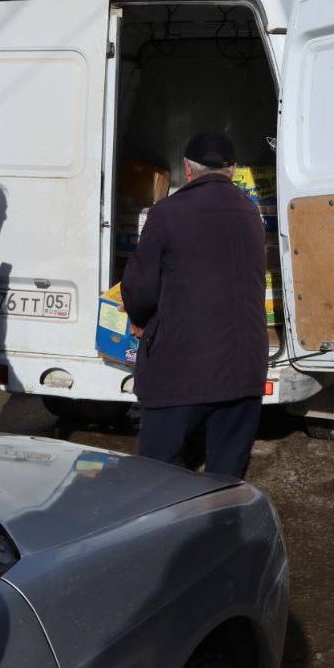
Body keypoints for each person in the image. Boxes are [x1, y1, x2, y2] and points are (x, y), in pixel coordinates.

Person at [122, 132, 268, 479]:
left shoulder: (167, 212)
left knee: (155, 471)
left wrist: (141, 318)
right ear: (232, 170)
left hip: (183, 365)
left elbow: (140, 287)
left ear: (187, 169)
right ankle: (217, 525)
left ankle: (179, 520)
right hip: (245, 367)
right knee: (226, 477)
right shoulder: (250, 212)